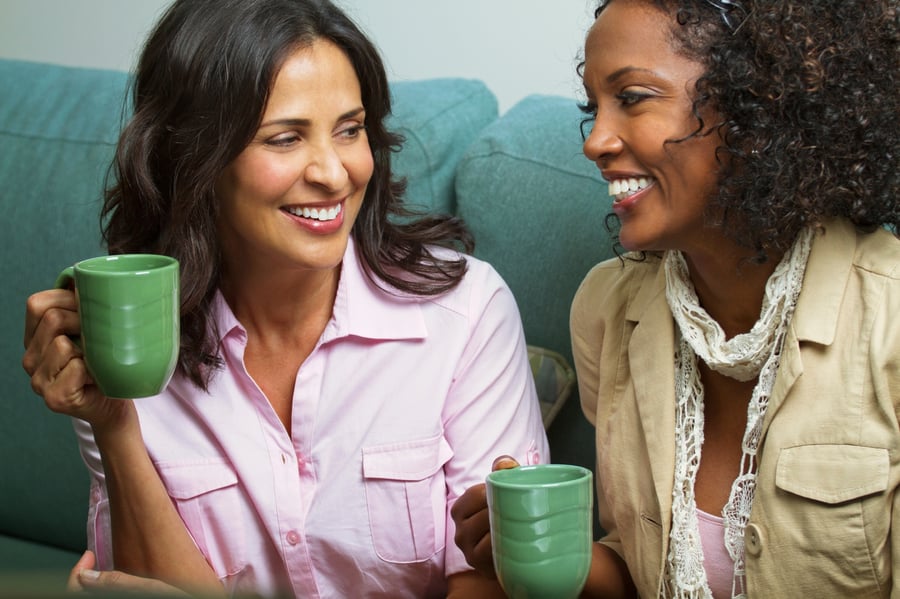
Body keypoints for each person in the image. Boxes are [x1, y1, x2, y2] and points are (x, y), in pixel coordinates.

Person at [21, 0, 549, 596]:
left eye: (349, 130)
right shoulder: (127, 339)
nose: (333, 172)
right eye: (285, 138)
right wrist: (113, 424)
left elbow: (494, 582)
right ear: (196, 159)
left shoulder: (466, 311)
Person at [452, 0, 899, 597]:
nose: (595, 142)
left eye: (632, 97)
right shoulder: (607, 310)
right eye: (594, 107)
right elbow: (644, 567)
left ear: (756, 106)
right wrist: (546, 554)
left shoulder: (888, 320)